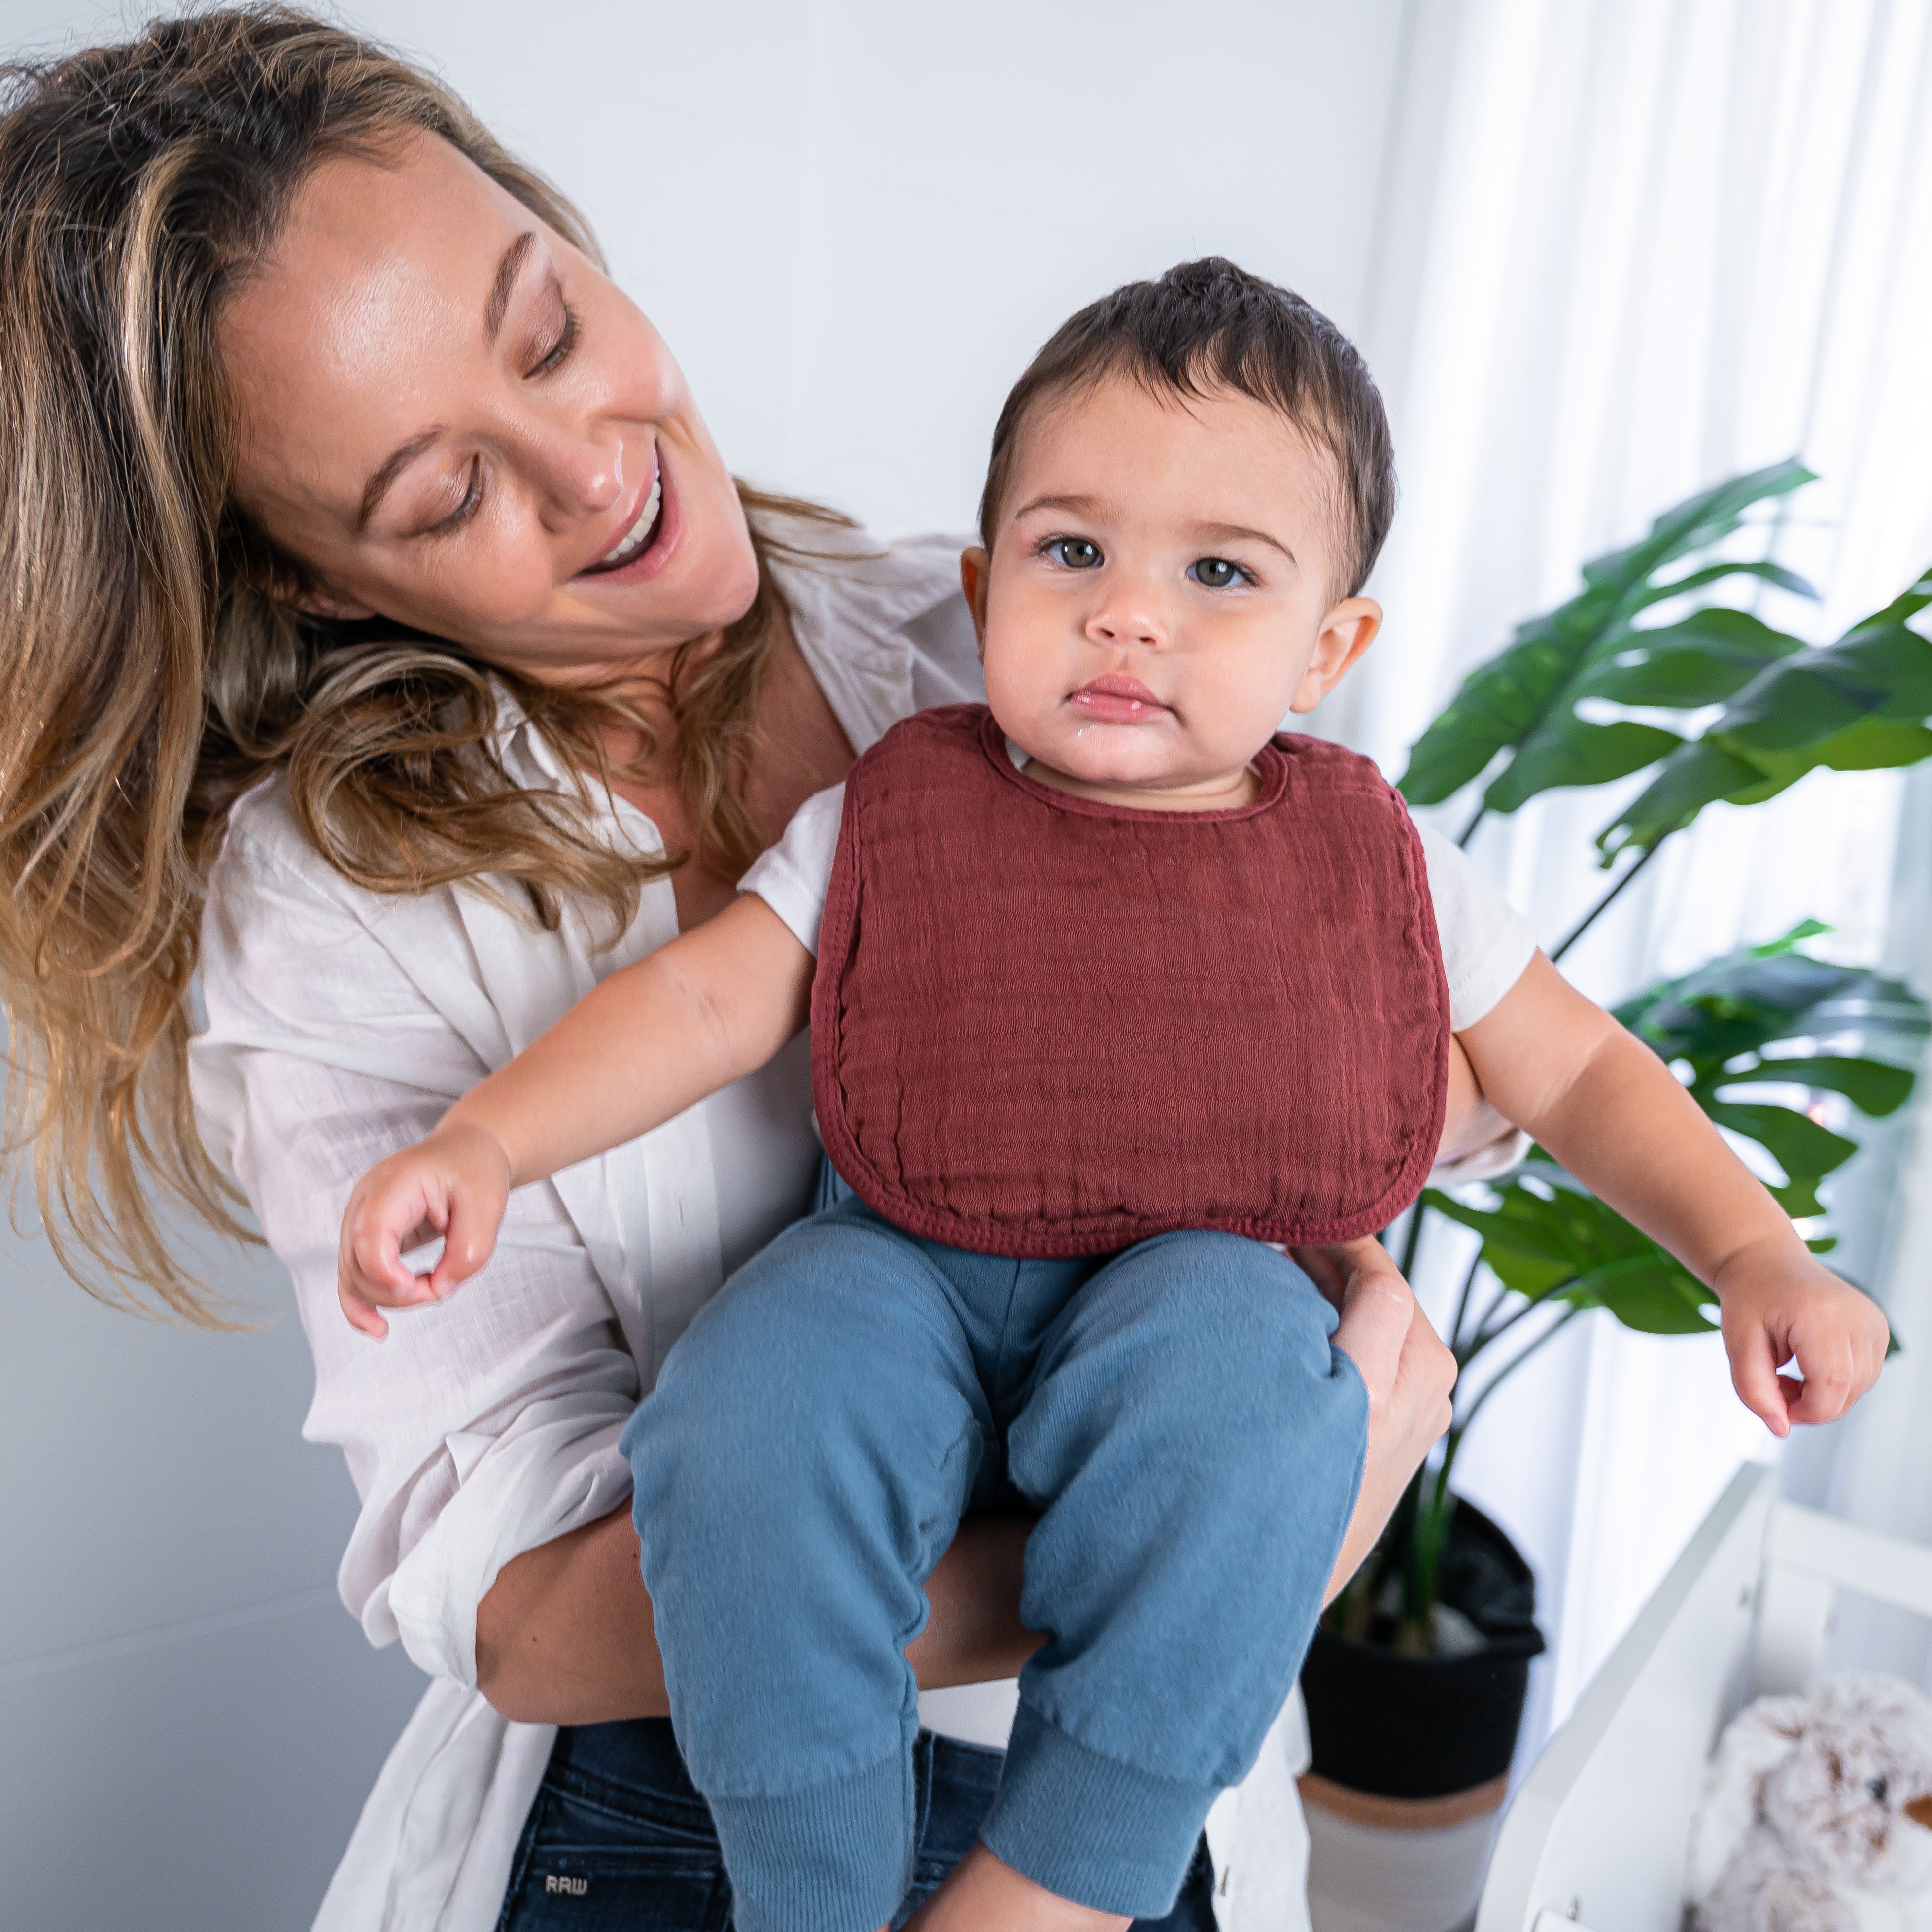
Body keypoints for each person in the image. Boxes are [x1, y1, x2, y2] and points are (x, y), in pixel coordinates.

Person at [0, 15, 1475, 1931]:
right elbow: (515, 1604)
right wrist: (1232, 1544)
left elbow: (1406, 1037)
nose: (590, 470)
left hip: (1129, 1808)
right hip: (680, 1817)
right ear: (315, 579)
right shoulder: (332, 909)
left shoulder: (1003, 641)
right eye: (442, 492)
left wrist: (1283, 1384)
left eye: (547, 330)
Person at [339, 259, 1894, 1932]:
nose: (1129, 610)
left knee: (1252, 1418)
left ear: (1329, 646)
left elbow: (1573, 1063)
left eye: (1220, 571)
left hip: (1188, 1285)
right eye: (1071, 550)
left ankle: (1075, 1873)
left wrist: (1754, 1254)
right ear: (982, 579)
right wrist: (487, 1140)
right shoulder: (904, 807)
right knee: (742, 1418)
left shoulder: (1377, 860)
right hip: (896, 1269)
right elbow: (708, 996)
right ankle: (812, 1887)